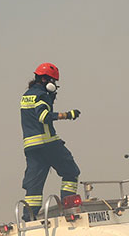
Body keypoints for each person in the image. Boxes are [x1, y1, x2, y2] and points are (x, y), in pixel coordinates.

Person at [21, 62, 84, 219]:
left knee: (34, 187)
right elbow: (43, 117)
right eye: (53, 82)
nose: (54, 85)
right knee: (71, 172)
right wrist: (67, 115)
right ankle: (68, 209)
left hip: (31, 148)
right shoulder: (41, 95)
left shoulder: (27, 95)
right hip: (48, 144)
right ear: (46, 81)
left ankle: (29, 219)